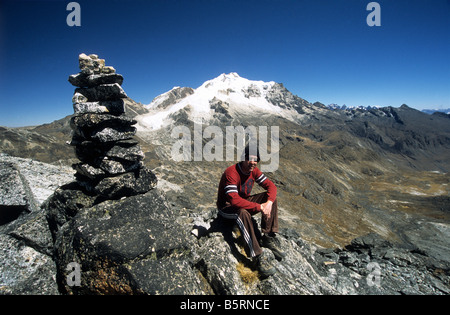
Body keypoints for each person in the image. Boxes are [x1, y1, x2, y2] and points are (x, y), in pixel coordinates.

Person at [216, 145, 285, 277]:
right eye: (250, 159)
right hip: (226, 209)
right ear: (243, 158)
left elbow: (271, 186)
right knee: (242, 212)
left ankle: (268, 237)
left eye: (256, 160)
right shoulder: (232, 173)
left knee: (270, 198)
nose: (253, 162)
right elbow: (234, 201)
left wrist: (268, 203)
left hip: (243, 204)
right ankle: (256, 256)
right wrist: (260, 207)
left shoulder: (254, 171)